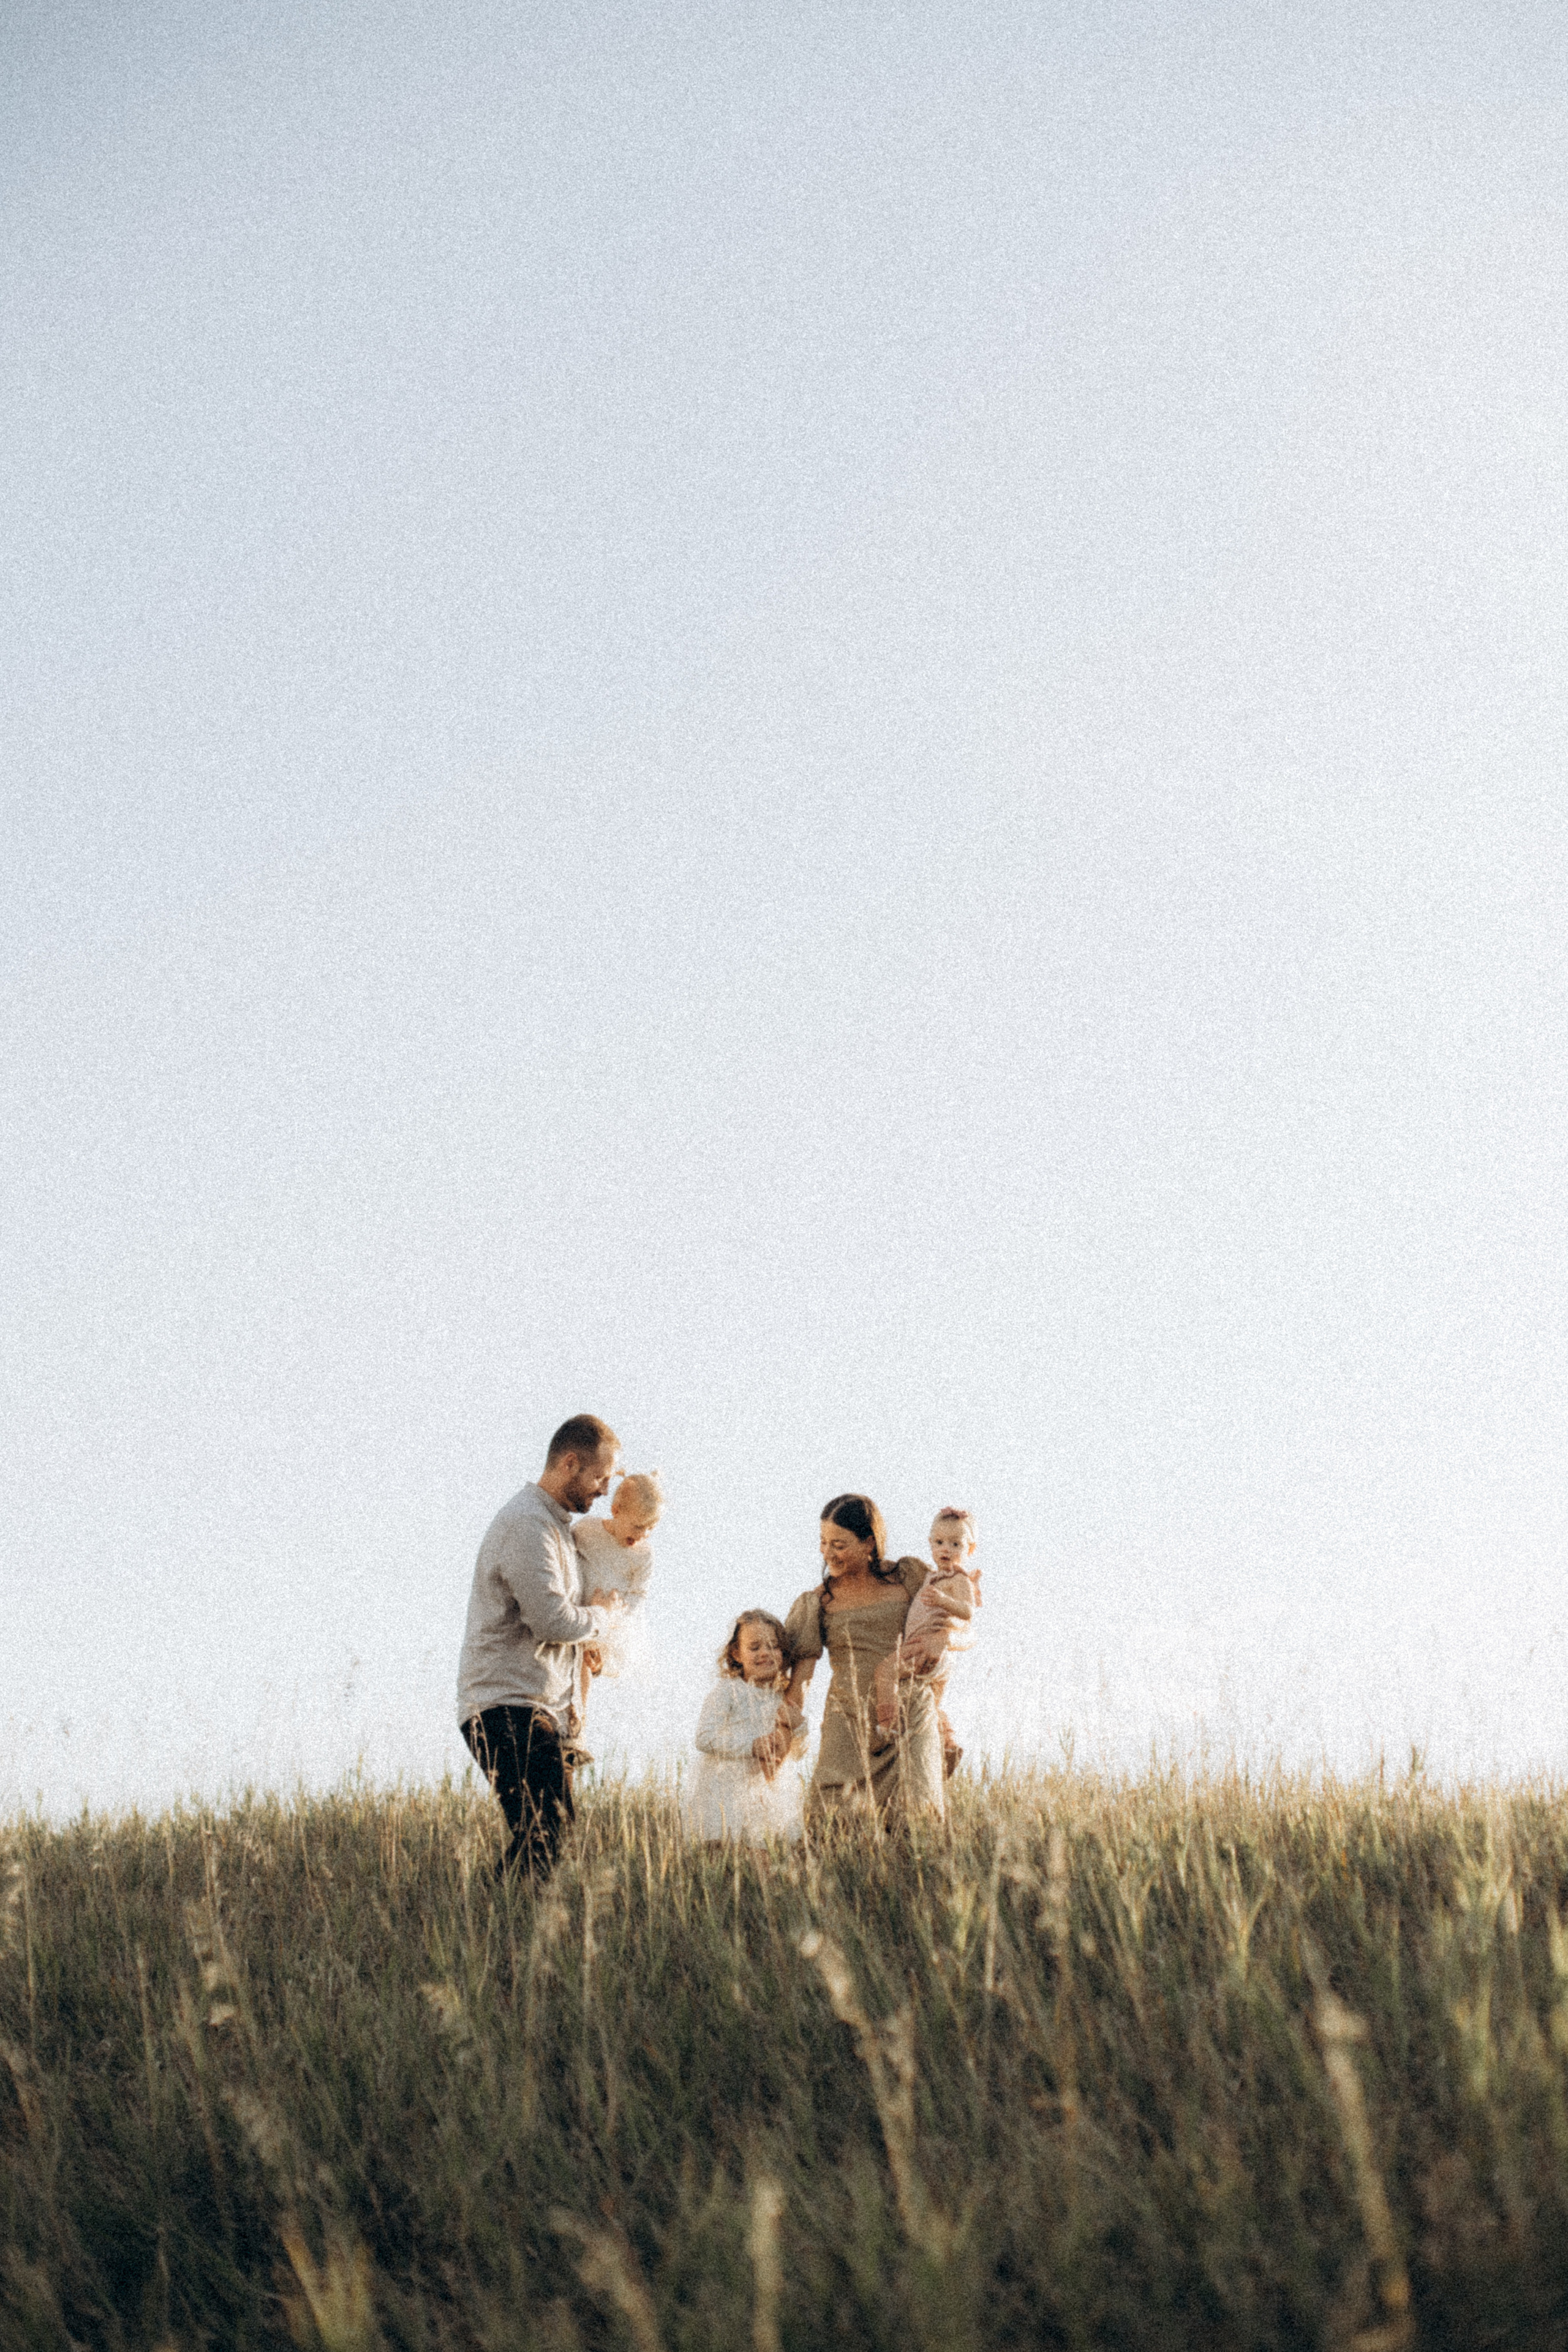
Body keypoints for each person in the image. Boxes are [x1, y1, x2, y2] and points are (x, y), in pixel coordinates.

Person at [456, 1414, 624, 1879]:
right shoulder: (527, 1525)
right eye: (600, 1477)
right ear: (570, 1463)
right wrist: (603, 1619)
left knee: (549, 1832)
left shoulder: (557, 1529)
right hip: (504, 1707)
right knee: (547, 1830)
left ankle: (504, 1924)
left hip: (534, 1709)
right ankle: (494, 1921)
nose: (604, 1490)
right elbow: (552, 1621)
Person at [782, 1494, 945, 1824]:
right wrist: (783, 1732)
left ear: (869, 1542)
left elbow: (956, 1632)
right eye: (823, 1542)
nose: (828, 1553)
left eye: (839, 1544)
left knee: (917, 1817)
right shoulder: (817, 1603)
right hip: (848, 1720)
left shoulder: (909, 1576)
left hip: (909, 1713)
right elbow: (801, 1681)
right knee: (832, 1819)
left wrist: (941, 1646)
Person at [871, 1507, 981, 1776]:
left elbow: (969, 1613)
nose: (947, 1549)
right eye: (940, 1542)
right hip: (933, 1652)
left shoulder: (959, 1579)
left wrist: (944, 1601)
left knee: (885, 1672)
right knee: (933, 1705)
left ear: (970, 1549)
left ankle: (887, 1727)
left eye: (956, 1544)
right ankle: (949, 1744)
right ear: (930, 1543)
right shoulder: (931, 1576)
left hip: (927, 1648)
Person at [682, 1610, 805, 1845]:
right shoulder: (728, 1692)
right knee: (727, 1848)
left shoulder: (783, 1699)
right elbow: (704, 1737)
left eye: (773, 1646)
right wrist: (751, 1746)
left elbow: (798, 1753)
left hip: (769, 1790)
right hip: (727, 1787)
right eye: (755, 1647)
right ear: (737, 1653)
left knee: (766, 1850)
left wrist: (800, 1728)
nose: (765, 1653)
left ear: (784, 1653)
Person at [567, 1471, 664, 1763]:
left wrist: (613, 1617)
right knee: (570, 1665)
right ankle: (571, 1724)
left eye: (651, 1528)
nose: (644, 1534)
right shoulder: (587, 1530)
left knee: (585, 1664)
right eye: (638, 1526)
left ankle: (578, 1731)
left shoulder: (643, 1555)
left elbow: (639, 1596)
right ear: (616, 1511)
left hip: (614, 1620)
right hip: (582, 1607)